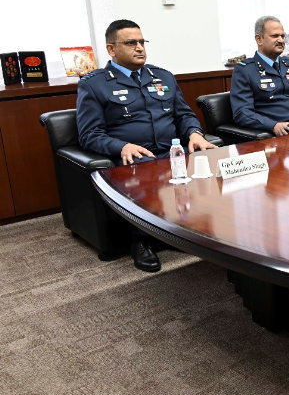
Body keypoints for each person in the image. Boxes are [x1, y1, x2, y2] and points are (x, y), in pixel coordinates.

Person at [76, 19, 215, 272]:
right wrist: (121, 146)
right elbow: (89, 134)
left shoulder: (162, 76)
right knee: (144, 169)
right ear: (111, 49)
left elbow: (184, 115)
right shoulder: (94, 84)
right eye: (131, 43)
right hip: (134, 157)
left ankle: (189, 230)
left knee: (209, 160)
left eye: (142, 42)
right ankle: (141, 241)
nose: (140, 47)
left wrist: (194, 133)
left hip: (172, 149)